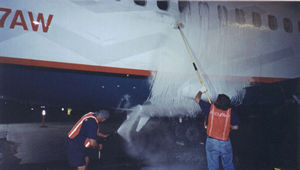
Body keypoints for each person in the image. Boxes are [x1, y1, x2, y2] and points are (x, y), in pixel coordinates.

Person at [195, 87, 239, 170]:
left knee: (213, 167)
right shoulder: (230, 113)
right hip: (225, 143)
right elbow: (236, 127)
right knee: (228, 165)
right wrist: (227, 126)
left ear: (217, 101)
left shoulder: (209, 108)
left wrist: (201, 90)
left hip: (212, 142)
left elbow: (197, 99)